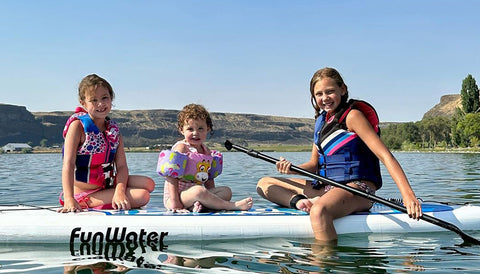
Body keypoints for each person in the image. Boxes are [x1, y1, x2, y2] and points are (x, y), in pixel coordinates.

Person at [256, 67, 422, 243]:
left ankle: (325, 263)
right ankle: (300, 202)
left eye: (330, 92)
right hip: (327, 187)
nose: (324, 98)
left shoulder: (353, 116)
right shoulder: (320, 123)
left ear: (342, 89)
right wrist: (291, 170)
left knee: (318, 211)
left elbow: (386, 156)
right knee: (264, 184)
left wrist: (408, 195)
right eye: (319, 94)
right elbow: (314, 165)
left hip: (358, 189)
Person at [59, 74, 155, 213]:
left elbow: (121, 166)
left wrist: (119, 191)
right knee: (142, 196)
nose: (101, 104)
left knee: (149, 184)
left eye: (105, 98)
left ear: (111, 98)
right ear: (83, 103)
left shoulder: (113, 130)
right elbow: (68, 164)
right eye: (94, 100)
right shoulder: (77, 127)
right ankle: (85, 201)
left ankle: (111, 196)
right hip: (85, 192)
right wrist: (69, 199)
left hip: (106, 185)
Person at [157, 103, 253, 212]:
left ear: (208, 129)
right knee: (198, 191)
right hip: (177, 197)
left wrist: (211, 197)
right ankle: (230, 206)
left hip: (197, 196)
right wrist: (175, 203)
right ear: (181, 130)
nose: (195, 133)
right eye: (190, 129)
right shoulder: (181, 148)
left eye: (200, 128)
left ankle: (198, 206)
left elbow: (208, 179)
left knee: (226, 191)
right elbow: (171, 177)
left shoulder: (206, 151)